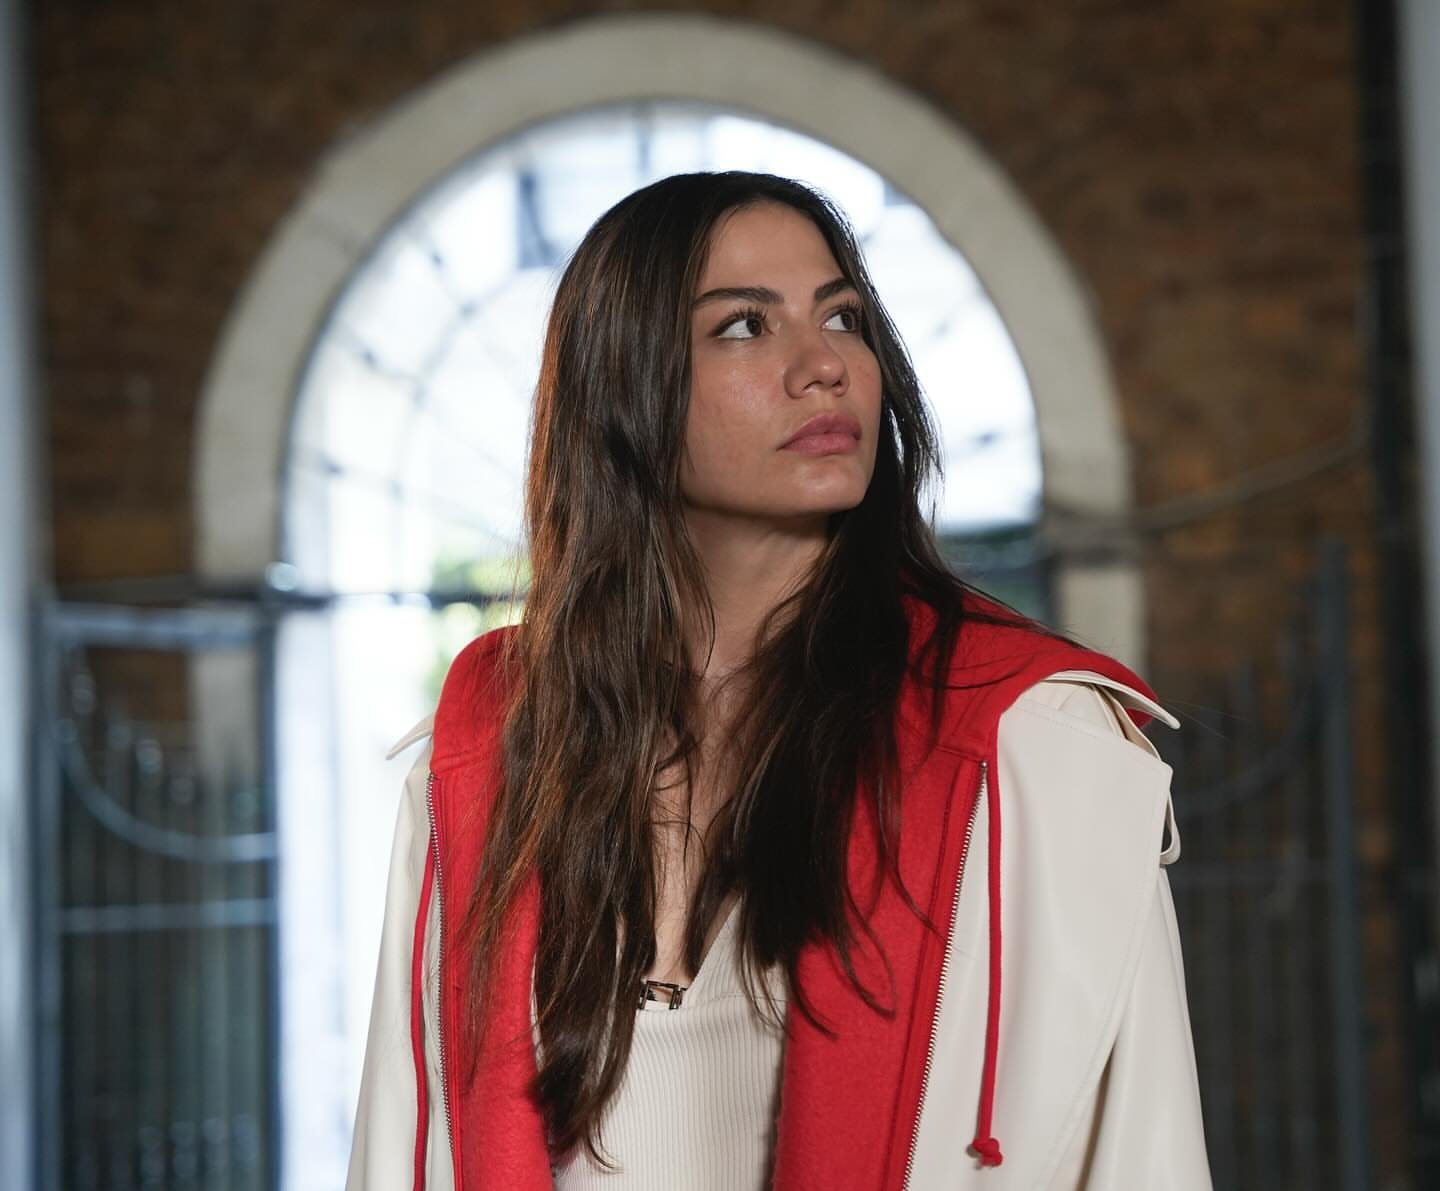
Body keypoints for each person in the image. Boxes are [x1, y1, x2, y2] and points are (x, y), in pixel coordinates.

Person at [345, 170, 1213, 1190]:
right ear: (624, 385)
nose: (825, 366)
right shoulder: (486, 759)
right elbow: (403, 1148)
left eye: (842, 317)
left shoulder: (1036, 749)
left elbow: (1144, 1156)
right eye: (743, 327)